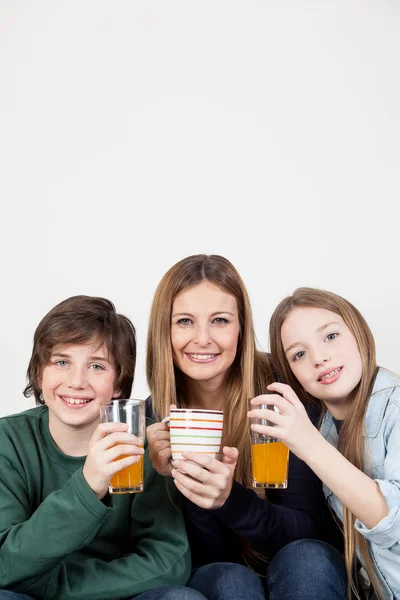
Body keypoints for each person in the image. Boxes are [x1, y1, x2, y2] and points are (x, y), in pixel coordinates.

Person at [146, 255, 347, 600]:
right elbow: (205, 559)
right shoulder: (153, 420)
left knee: (308, 559)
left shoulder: (283, 393)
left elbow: (310, 530)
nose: (203, 338)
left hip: (301, 565)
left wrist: (229, 500)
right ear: (164, 330)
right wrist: (185, 485)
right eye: (185, 321)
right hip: (220, 576)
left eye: (220, 320)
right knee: (230, 579)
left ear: (242, 328)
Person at [0, 295, 198, 600]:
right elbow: (4, 564)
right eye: (62, 362)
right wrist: (88, 485)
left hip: (112, 594)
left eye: (96, 366)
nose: (76, 381)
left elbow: (167, 562)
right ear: (40, 374)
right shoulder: (7, 441)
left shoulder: (145, 443)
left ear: (118, 384)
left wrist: (56, 587)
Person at [255, 286, 400, 599]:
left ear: (359, 331)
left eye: (331, 336)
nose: (319, 358)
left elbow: (396, 525)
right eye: (299, 354)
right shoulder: (324, 431)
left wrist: (310, 446)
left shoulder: (396, 407)